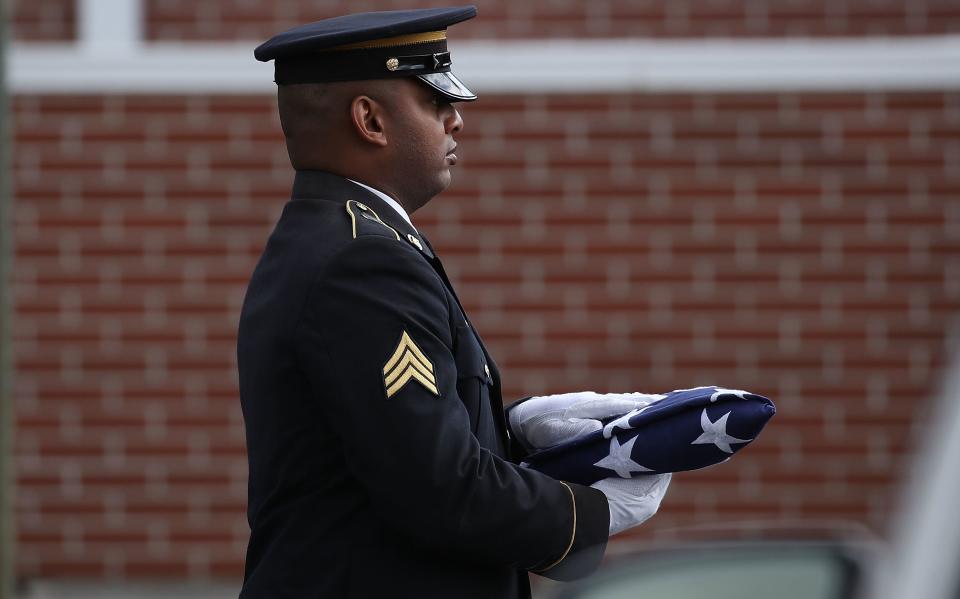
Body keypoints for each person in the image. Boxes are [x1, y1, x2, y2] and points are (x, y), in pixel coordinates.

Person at [237, 6, 671, 598]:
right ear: (370, 119)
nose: (456, 121)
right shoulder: (362, 262)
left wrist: (510, 433)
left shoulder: (341, 241)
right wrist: (587, 513)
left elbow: (387, 444)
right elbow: (436, 487)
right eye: (436, 101)